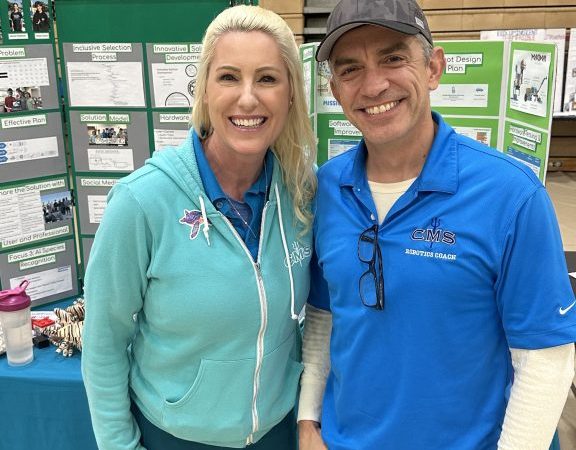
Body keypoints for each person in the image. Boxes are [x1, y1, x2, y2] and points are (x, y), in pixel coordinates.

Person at [297, 1, 576, 449]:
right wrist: (308, 419)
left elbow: (545, 356)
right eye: (351, 69)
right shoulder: (327, 189)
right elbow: (324, 315)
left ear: (433, 68)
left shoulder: (510, 195)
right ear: (335, 89)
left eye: (393, 58)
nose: (373, 84)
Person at [82, 5, 316, 450]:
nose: (248, 98)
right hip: (176, 436)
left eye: (267, 78)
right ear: (204, 90)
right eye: (229, 77)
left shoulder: (302, 193)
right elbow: (103, 343)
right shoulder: (141, 202)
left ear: (290, 94)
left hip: (277, 433)